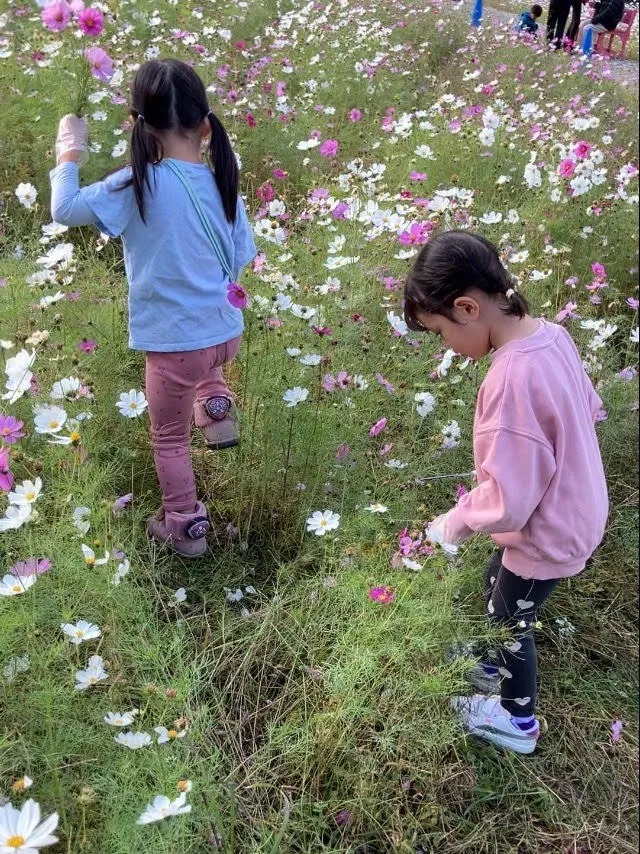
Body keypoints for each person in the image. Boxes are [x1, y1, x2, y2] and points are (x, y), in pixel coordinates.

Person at [404, 231, 608, 755]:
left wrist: (456, 521)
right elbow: (587, 408)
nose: (446, 346)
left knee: (512, 622)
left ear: (467, 308)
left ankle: (518, 721)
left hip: (548, 526)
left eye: (440, 332)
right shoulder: (552, 336)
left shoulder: (510, 378)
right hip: (574, 502)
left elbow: (509, 499)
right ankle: (488, 663)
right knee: (500, 581)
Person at [50, 59, 257, 558]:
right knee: (203, 359)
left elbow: (64, 209)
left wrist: (69, 151)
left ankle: (185, 528)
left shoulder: (136, 184)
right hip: (224, 335)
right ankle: (217, 410)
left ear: (137, 125)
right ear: (205, 126)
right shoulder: (222, 180)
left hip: (175, 348)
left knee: (169, 440)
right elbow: (239, 257)